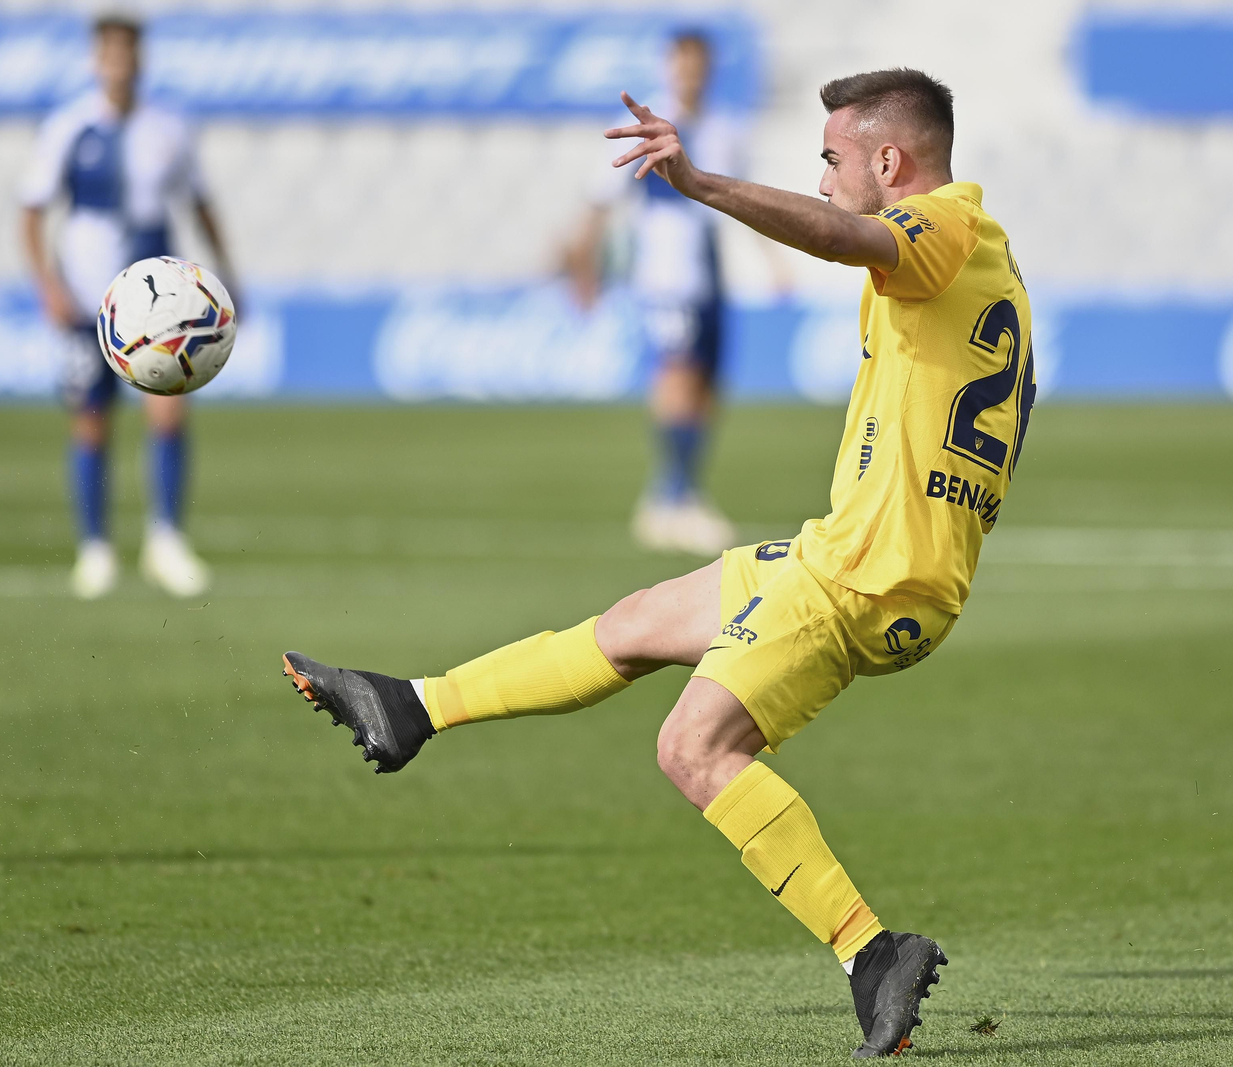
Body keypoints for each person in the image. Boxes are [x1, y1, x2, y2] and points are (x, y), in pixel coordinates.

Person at [282, 68, 1035, 1059]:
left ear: (889, 161)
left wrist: (702, 184)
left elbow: (849, 234)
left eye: (832, 157)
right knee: (636, 622)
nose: (820, 176)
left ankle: (870, 951)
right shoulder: (974, 256)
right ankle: (414, 705)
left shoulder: (938, 231)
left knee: (693, 748)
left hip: (866, 577)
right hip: (849, 553)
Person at [20, 14, 235, 599]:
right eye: (110, 52)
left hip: (160, 304)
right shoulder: (69, 126)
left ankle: (166, 542)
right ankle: (95, 550)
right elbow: (33, 210)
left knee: (167, 413)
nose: (121, 62)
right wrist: (48, 287)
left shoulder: (168, 126)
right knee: (90, 421)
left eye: (129, 52)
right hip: (89, 298)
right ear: (96, 60)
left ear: (141, 58)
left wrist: (225, 273)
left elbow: (199, 203)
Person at [564, 31, 746, 557]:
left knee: (708, 386)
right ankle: (671, 498)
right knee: (678, 378)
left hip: (711, 273)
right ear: (670, 68)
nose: (692, 74)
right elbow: (600, 201)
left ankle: (681, 493)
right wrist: (584, 267)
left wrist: (774, 261)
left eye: (700, 65)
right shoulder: (648, 125)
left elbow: (741, 197)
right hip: (665, 275)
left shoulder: (724, 128)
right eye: (683, 64)